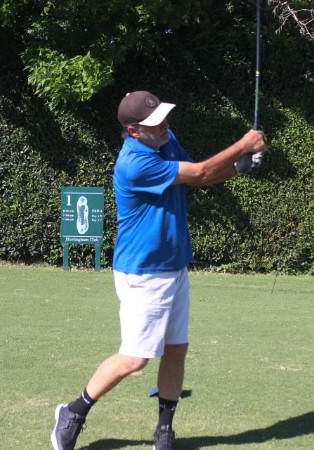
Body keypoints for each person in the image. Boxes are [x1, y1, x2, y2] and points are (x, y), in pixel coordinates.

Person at [51, 90, 266, 450]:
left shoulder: (165, 140)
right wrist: (243, 145)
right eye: (154, 123)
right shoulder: (134, 163)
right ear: (134, 131)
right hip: (144, 271)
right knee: (135, 358)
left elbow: (198, 177)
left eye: (164, 117)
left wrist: (238, 167)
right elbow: (200, 170)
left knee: (176, 350)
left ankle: (164, 430)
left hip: (175, 265)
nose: (164, 125)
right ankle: (73, 412)